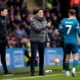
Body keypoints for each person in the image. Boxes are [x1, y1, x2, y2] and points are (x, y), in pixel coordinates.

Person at [56, 9, 80, 77]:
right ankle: (74, 69)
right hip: (73, 41)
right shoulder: (76, 21)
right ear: (75, 14)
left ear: (68, 14)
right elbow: (79, 32)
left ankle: (67, 72)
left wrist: (65, 34)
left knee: (67, 57)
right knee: (75, 57)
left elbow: (59, 30)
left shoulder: (63, 21)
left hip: (66, 41)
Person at [30, 8, 51, 76]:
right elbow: (37, 29)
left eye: (42, 12)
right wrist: (46, 26)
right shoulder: (33, 20)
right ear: (36, 13)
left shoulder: (44, 20)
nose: (41, 13)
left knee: (42, 57)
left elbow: (46, 32)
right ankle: (32, 72)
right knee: (33, 56)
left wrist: (47, 41)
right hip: (34, 41)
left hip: (42, 41)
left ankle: (41, 71)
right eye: (39, 12)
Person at [0, 6, 13, 75]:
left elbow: (4, 30)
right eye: (5, 11)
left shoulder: (5, 19)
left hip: (3, 41)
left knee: (3, 56)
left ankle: (6, 71)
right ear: (1, 12)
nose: (7, 13)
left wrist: (6, 39)